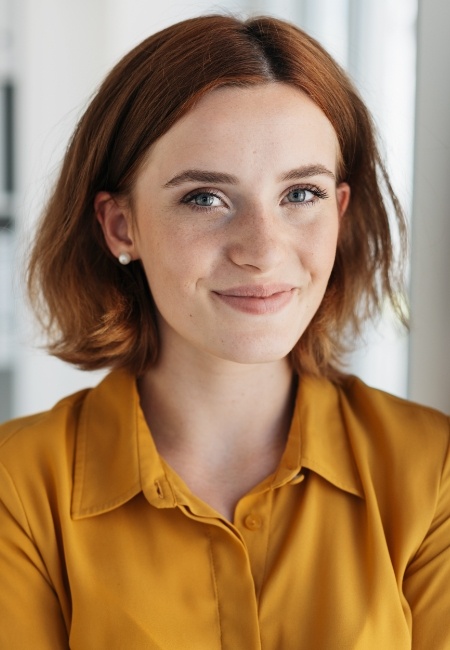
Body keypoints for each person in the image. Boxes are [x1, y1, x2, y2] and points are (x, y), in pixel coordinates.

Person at [0, 13, 449, 650]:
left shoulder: (433, 472)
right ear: (121, 226)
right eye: (205, 197)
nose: (263, 250)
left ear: (340, 213)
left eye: (300, 194)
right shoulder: (15, 487)